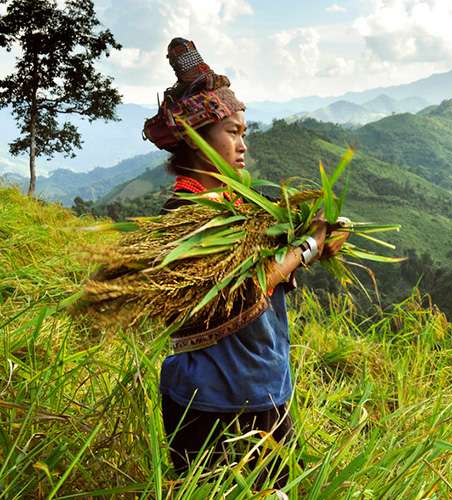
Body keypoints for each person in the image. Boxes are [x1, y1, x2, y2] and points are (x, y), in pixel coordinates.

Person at [142, 38, 348, 477]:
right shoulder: (186, 216)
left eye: (244, 133)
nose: (243, 145)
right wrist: (307, 247)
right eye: (232, 133)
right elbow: (248, 285)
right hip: (213, 400)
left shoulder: (241, 205)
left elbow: (275, 271)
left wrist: (320, 241)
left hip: (261, 385)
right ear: (197, 140)